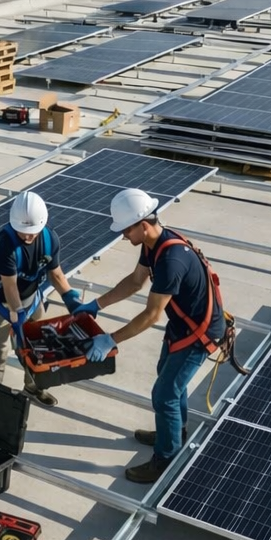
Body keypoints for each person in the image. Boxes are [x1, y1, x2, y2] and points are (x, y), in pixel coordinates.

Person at [75, 188, 225, 484]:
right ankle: (175, 431)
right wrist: (97, 305)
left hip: (199, 334)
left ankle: (165, 459)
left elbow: (151, 315)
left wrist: (110, 339)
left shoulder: (171, 260)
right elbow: (135, 282)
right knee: (167, 378)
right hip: (183, 325)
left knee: (164, 393)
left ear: (143, 225)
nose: (122, 236)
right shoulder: (153, 244)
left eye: (125, 230)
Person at [0, 191, 79, 408]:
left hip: (32, 300)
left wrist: (71, 299)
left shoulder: (50, 239)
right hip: (3, 304)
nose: (27, 237)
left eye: (32, 232)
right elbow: (10, 285)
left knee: (36, 346)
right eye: (23, 232)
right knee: (0, 349)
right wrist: (17, 313)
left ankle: (33, 387)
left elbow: (56, 275)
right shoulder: (5, 243)